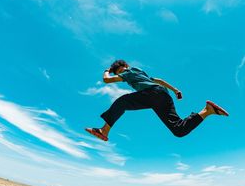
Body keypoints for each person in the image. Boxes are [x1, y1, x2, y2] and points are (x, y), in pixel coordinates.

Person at [85, 59, 228, 141]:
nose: (121, 74)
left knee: (122, 102)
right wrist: (175, 90)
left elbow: (106, 80)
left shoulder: (128, 71)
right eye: (119, 73)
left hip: (152, 94)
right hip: (163, 96)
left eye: (120, 71)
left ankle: (104, 131)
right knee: (178, 130)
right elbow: (158, 80)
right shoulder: (141, 72)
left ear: (125, 67)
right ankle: (207, 111)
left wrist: (108, 70)